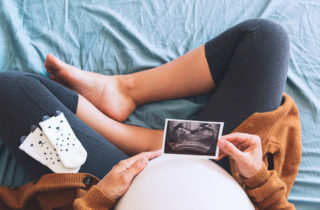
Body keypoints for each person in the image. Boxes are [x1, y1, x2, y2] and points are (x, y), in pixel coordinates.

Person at [0, 19, 301, 209]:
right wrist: (258, 178)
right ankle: (128, 93)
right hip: (226, 170)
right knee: (264, 38)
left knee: (11, 89)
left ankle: (144, 142)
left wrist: (101, 197)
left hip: (111, 189)